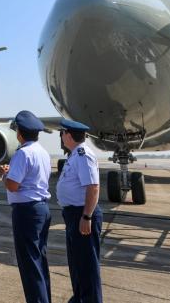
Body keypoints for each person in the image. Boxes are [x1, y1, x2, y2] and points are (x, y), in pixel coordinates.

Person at [0, 110, 52, 303]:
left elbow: (13, 185)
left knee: (29, 264)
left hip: (26, 212)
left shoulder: (23, 153)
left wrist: (3, 174)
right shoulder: (43, 152)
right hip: (42, 209)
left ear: (19, 133)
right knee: (39, 261)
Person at [56, 119, 102, 303]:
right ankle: (80, 298)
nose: (60, 137)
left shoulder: (83, 155)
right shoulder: (74, 155)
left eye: (61, 133)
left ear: (68, 135)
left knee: (87, 265)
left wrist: (86, 215)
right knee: (77, 263)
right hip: (73, 214)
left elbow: (93, 187)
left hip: (82, 214)